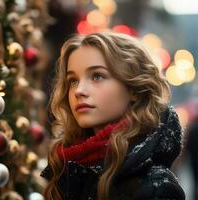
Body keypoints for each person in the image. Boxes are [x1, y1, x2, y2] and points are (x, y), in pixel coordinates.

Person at [40, 32, 185, 200]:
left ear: (134, 90)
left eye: (97, 76)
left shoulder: (157, 188)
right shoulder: (64, 165)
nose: (79, 91)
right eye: (73, 81)